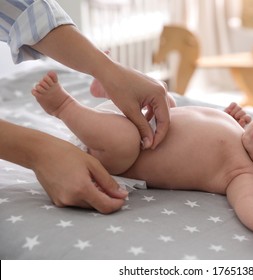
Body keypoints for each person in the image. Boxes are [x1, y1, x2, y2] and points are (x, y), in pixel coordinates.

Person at [32, 71, 253, 251]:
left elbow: (250, 204)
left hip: (115, 154)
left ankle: (63, 106)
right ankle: (114, 84)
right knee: (164, 96)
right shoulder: (242, 132)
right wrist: (234, 120)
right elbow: (203, 128)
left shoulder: (243, 173)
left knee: (126, 142)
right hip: (139, 120)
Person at [0, 0, 170, 213]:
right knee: (124, 140)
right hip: (123, 153)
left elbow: (20, 9)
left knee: (165, 103)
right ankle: (64, 106)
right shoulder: (227, 169)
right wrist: (36, 152)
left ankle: (107, 88)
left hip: (145, 127)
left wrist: (107, 70)